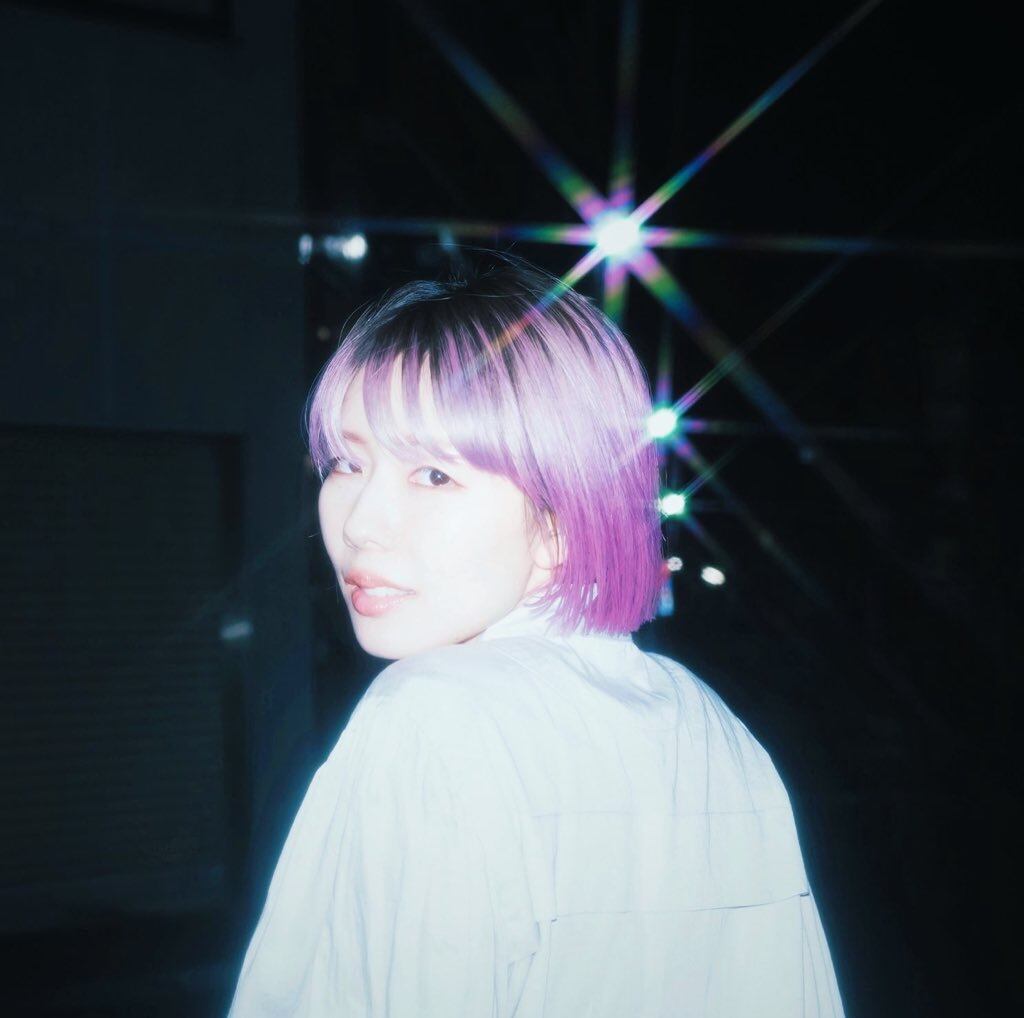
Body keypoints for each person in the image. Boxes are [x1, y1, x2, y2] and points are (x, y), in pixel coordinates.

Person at [226, 255, 844, 1016]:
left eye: (434, 476)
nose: (358, 523)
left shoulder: (429, 713)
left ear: (559, 522)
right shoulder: (706, 722)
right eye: (346, 463)